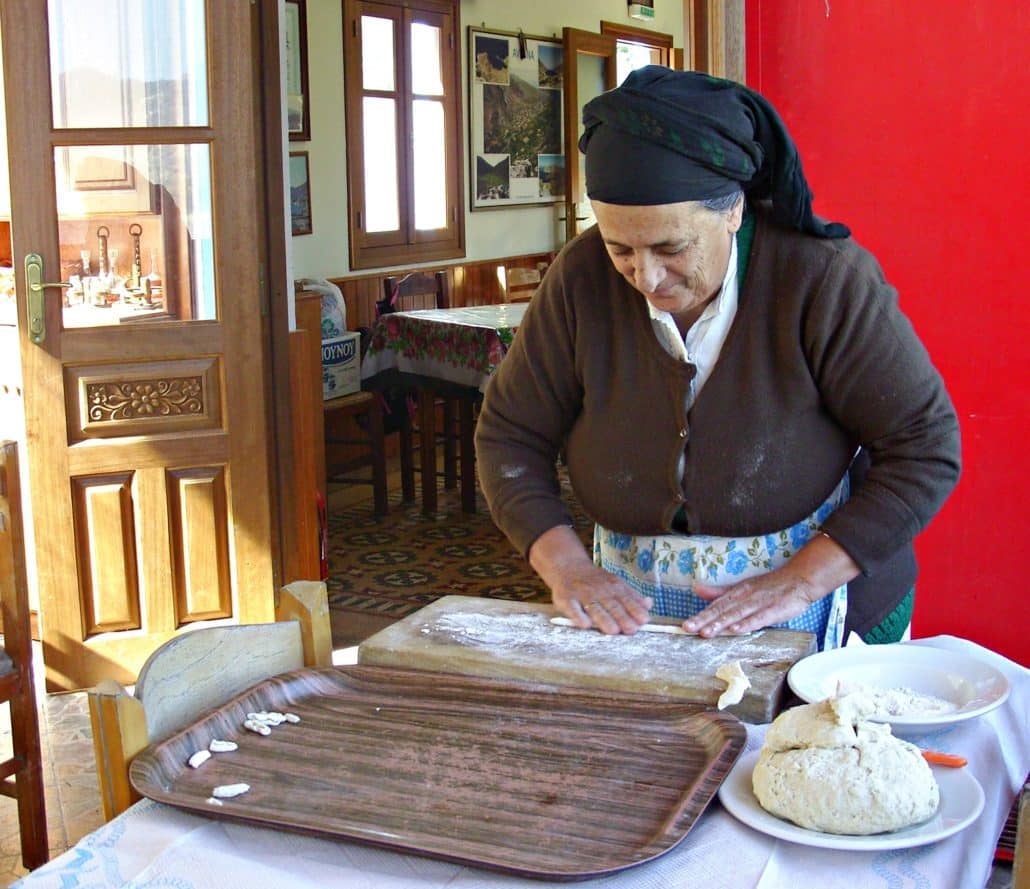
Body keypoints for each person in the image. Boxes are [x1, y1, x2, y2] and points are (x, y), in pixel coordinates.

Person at [474, 67, 961, 649]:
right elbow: (509, 436)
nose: (646, 276)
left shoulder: (821, 279)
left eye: (670, 247)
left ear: (734, 211)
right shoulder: (580, 280)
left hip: (822, 598)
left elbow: (925, 445)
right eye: (619, 248)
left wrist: (800, 581)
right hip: (633, 602)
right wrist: (567, 566)